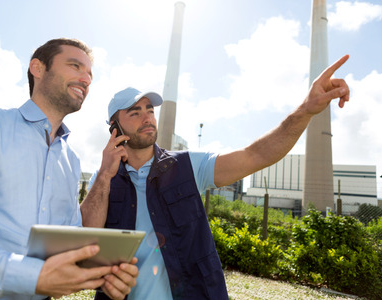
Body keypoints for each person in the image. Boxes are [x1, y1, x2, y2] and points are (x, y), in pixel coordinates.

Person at [80, 55, 351, 299]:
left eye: (149, 109)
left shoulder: (187, 166)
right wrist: (105, 173)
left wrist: (305, 110)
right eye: (135, 112)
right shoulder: (102, 182)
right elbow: (88, 237)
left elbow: (255, 155)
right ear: (114, 128)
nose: (147, 117)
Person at [0, 38, 138, 300]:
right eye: (75, 66)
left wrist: (104, 274)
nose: (86, 79)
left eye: (89, 75)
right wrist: (32, 277)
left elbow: (68, 247)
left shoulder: (71, 160)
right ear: (37, 68)